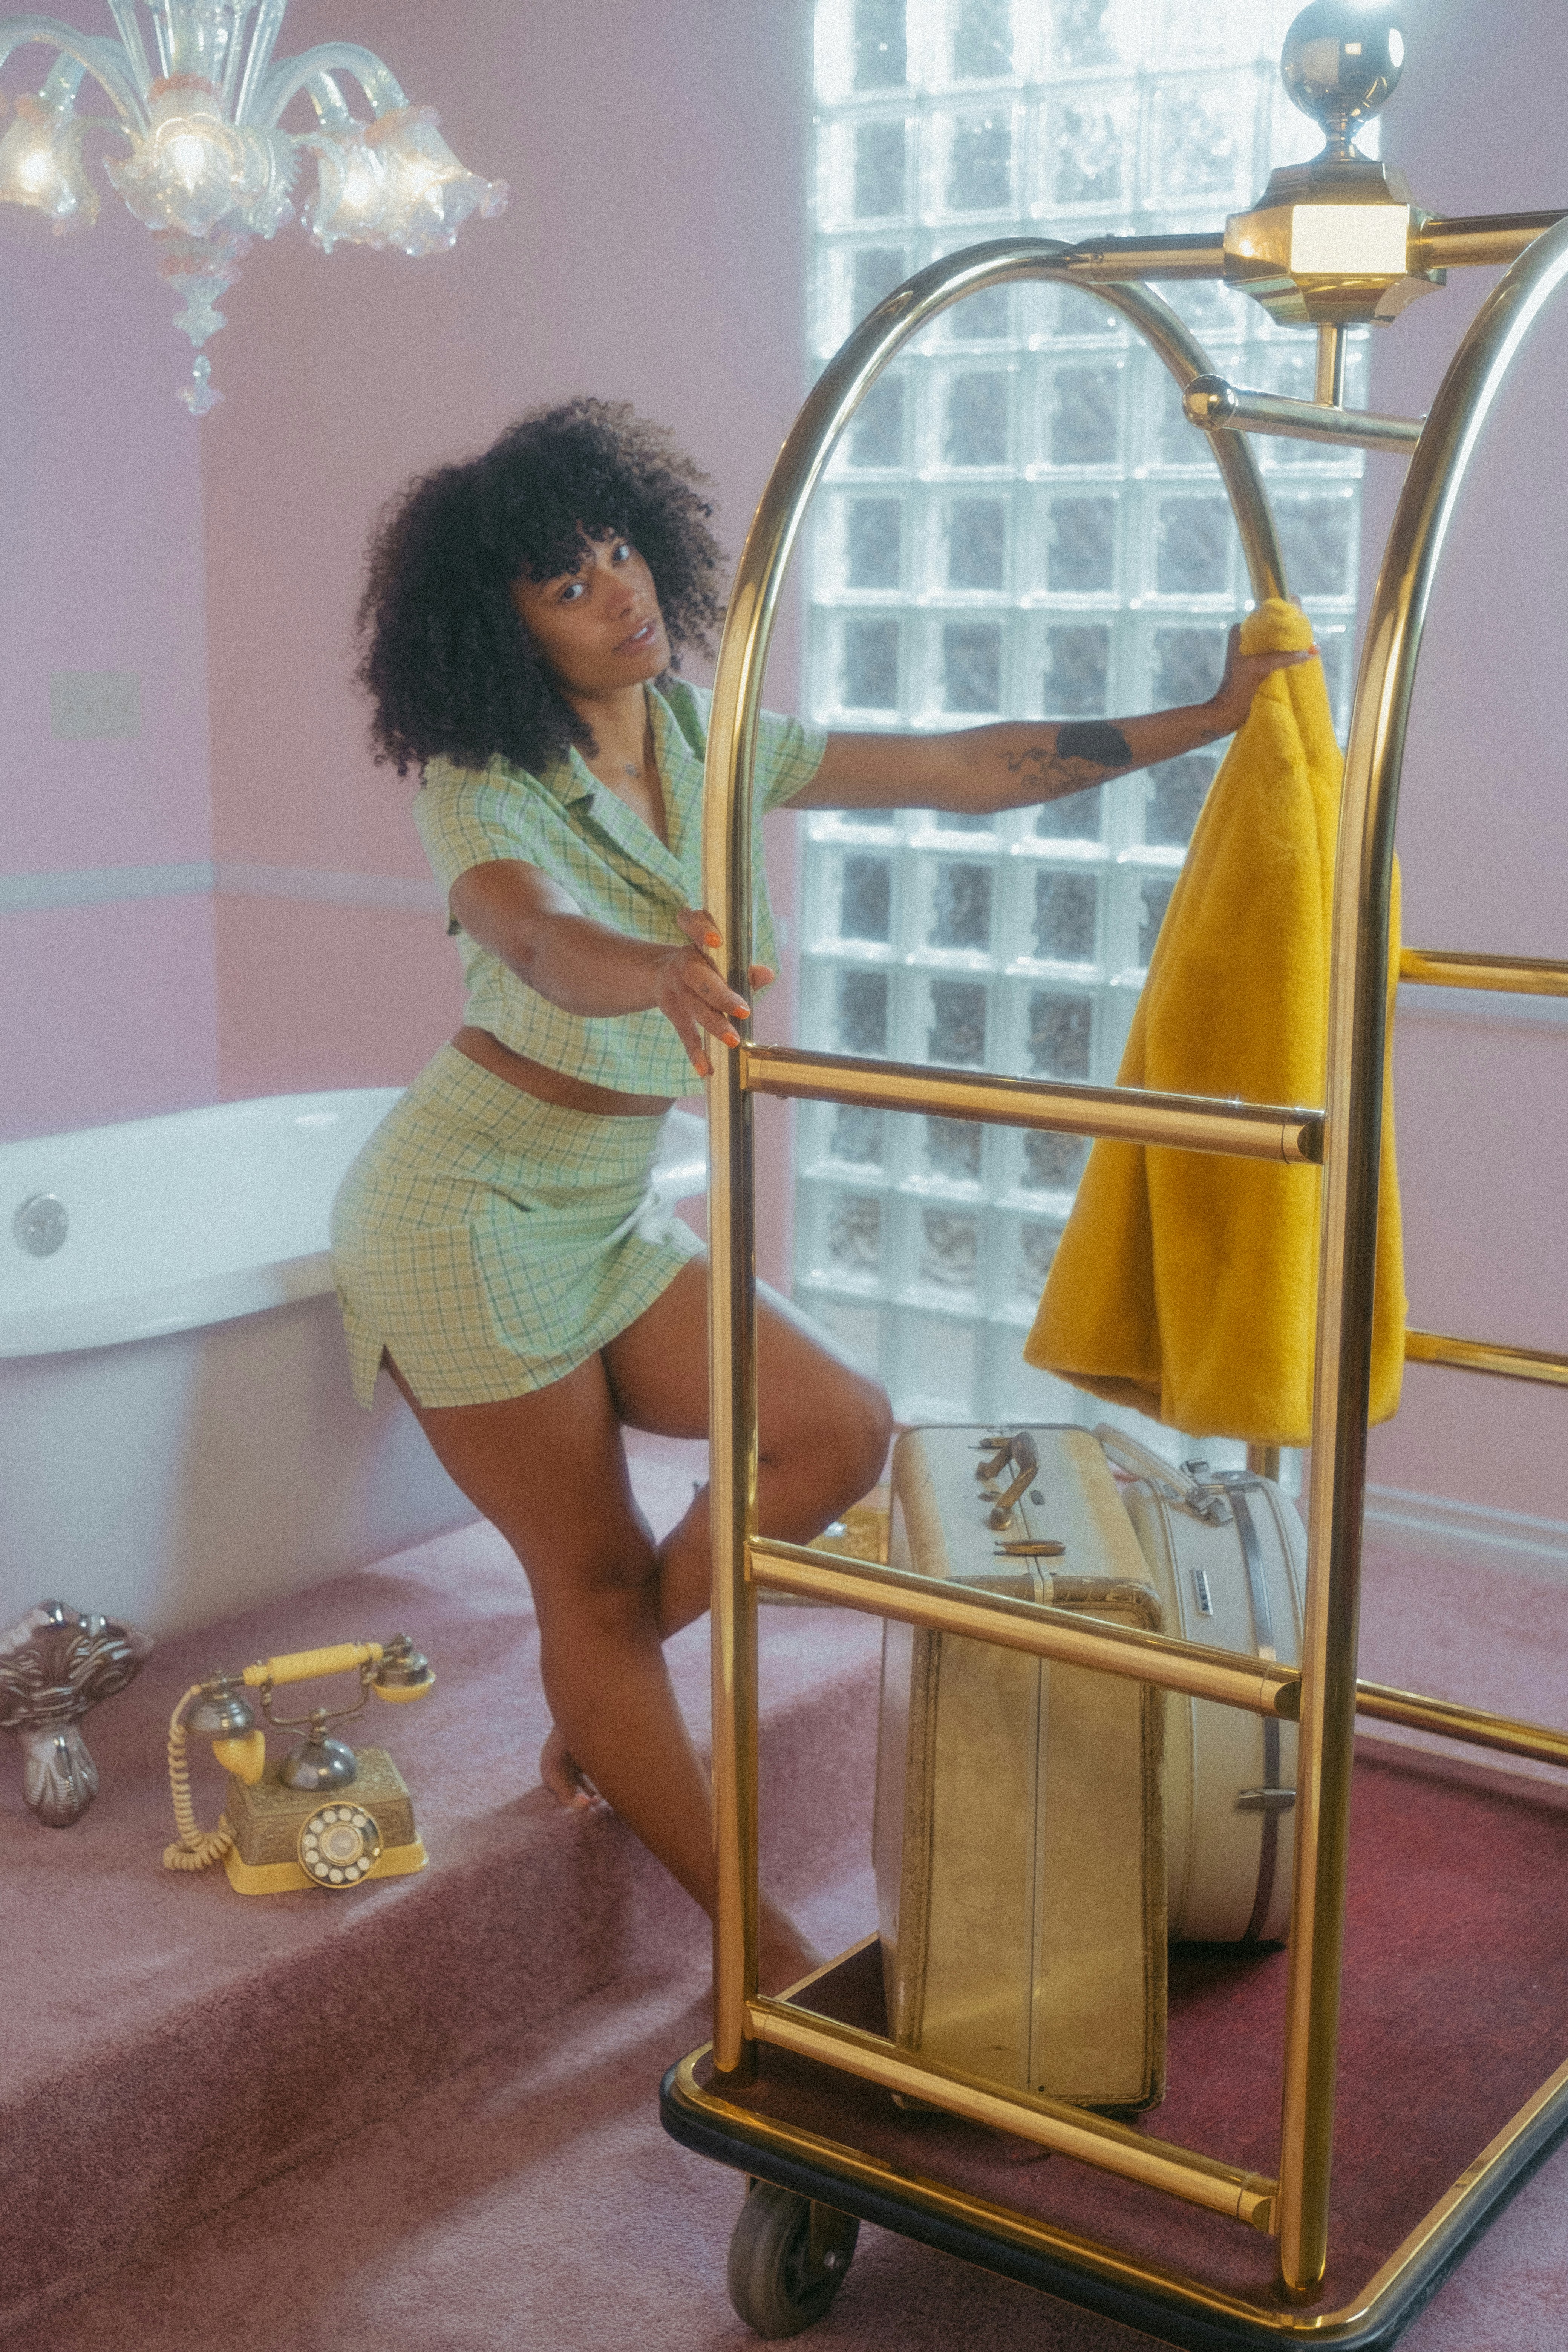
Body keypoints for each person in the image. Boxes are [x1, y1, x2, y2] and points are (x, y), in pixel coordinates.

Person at [334, 397, 1312, 1992]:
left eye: (617, 550)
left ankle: (604, 1684)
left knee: (837, 1429)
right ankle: (759, 1951)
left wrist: (1202, 719)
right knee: (580, 1568)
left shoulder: (706, 736)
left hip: (598, 1209)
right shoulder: (479, 782)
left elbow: (965, 767)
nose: (620, 590)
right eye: (566, 584)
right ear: (493, 627)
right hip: (459, 1218)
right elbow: (528, 935)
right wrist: (647, 966)